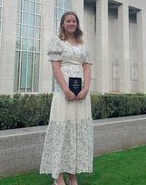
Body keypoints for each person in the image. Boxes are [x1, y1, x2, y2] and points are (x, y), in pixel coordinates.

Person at [40, 11, 93, 185]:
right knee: (61, 131)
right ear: (63, 24)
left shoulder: (83, 44)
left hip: (81, 95)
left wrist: (85, 88)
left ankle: (72, 175)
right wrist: (66, 90)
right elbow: (56, 68)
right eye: (68, 21)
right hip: (64, 94)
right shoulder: (57, 42)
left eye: (74, 21)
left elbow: (86, 67)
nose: (71, 23)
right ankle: (58, 176)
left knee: (76, 133)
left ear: (77, 24)